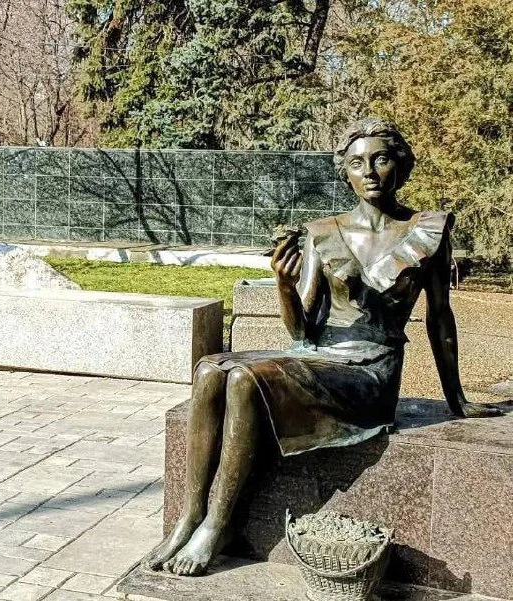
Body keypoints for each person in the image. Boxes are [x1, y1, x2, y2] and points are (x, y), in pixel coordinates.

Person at [145, 117, 503, 577]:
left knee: (245, 379)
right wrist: (283, 284)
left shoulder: (426, 230)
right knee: (211, 370)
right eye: (357, 163)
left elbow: (440, 317)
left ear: (401, 164)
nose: (369, 172)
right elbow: (302, 333)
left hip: (371, 372)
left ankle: (219, 523)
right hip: (319, 355)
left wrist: (457, 399)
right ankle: (190, 517)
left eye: (380, 159)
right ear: (345, 172)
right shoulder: (323, 232)